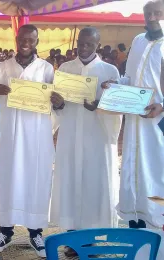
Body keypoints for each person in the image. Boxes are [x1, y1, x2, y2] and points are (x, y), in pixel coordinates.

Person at [0, 24, 63, 257]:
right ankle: (6, 231)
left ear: (37, 42)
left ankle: (35, 232)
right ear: (16, 39)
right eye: (22, 39)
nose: (26, 43)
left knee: (36, 179)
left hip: (37, 136)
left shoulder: (46, 68)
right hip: (11, 134)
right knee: (9, 178)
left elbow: (57, 104)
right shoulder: (4, 67)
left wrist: (58, 102)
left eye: (31, 39)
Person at [50, 27, 122, 258]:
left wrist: (100, 105)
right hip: (71, 134)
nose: (83, 48)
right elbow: (58, 105)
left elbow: (117, 107)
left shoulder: (109, 71)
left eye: (89, 44)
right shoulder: (65, 68)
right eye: (81, 43)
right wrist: (58, 103)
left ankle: (93, 238)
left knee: (94, 184)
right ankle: (73, 237)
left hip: (96, 138)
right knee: (71, 183)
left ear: (98, 46)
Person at [106, 0, 164, 230]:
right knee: (133, 165)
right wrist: (116, 86)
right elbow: (131, 78)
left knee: (156, 167)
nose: (151, 18)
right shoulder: (138, 41)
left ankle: (157, 221)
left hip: (157, 121)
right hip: (134, 119)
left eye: (157, 13)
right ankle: (137, 219)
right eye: (148, 13)